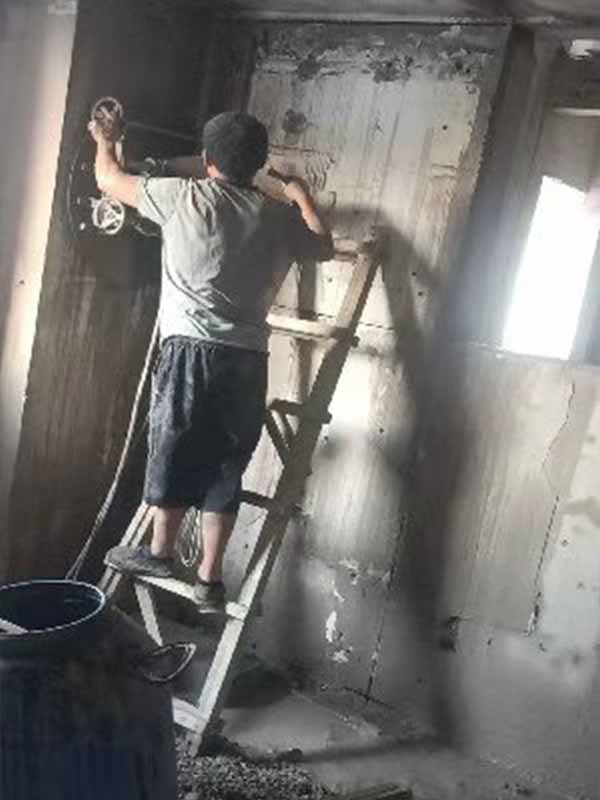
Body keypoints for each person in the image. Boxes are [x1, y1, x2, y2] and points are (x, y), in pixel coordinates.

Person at [88, 110, 333, 612]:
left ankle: (160, 553)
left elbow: (108, 179)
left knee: (174, 446)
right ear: (259, 164)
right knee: (226, 462)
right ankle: (210, 579)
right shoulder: (277, 216)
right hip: (248, 358)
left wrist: (105, 140)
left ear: (206, 159)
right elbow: (324, 247)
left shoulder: (182, 196)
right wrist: (300, 194)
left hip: (190, 351)